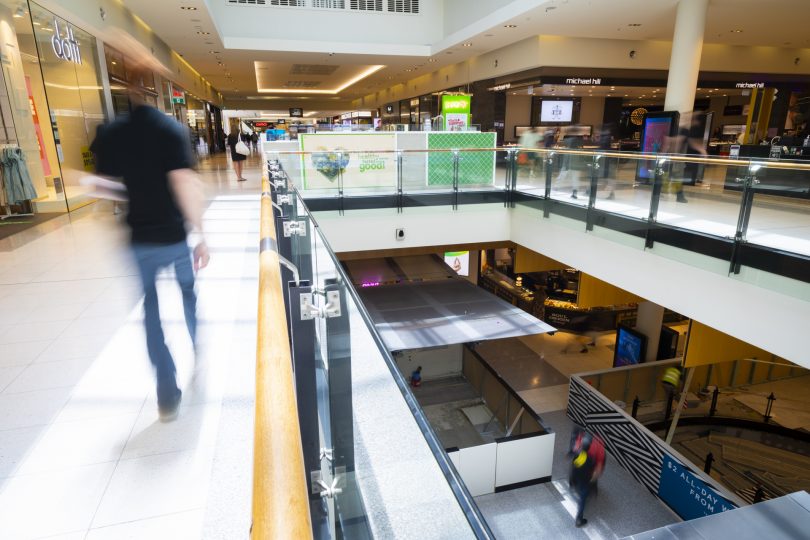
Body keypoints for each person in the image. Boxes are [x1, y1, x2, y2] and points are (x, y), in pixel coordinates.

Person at [91, 74, 209, 422]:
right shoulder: (169, 130)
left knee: (151, 313)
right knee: (188, 292)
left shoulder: (113, 132)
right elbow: (183, 183)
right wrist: (201, 235)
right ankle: (197, 343)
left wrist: (130, 197)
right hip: (173, 236)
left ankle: (166, 393)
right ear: (155, 93)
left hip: (139, 239)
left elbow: (103, 186)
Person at [569, 432, 596, 527]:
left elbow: (573, 468)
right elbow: (592, 471)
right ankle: (579, 519)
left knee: (582, 495)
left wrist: (571, 480)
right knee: (582, 500)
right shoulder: (590, 459)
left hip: (577, 479)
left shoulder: (577, 455)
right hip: (585, 481)